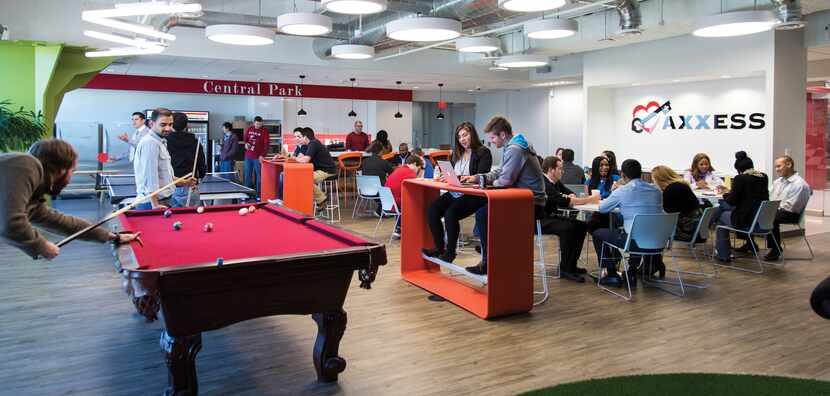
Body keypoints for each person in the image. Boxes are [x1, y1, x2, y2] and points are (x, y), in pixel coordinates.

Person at [0, 140, 139, 260]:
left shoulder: (32, 196)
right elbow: (10, 224)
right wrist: (42, 246)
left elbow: (64, 223)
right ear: (61, 170)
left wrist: (113, 237)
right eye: (72, 171)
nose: (70, 178)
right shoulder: (27, 164)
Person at [461, 116, 546, 275]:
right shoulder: (513, 145)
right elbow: (501, 171)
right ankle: (491, 254)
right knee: (483, 214)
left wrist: (487, 184)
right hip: (525, 200)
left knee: (482, 215)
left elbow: (506, 180)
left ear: (503, 135)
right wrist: (480, 177)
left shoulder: (515, 149)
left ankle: (489, 261)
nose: (491, 141)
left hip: (531, 203)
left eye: (493, 137)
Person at [423, 122, 493, 264]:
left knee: (450, 214)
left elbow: (481, 176)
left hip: (474, 195)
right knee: (432, 210)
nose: (462, 139)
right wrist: (447, 177)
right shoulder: (457, 153)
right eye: (459, 136)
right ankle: (439, 249)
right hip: (456, 191)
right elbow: (454, 174)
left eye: (465, 135)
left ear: (472, 134)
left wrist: (458, 178)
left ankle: (450, 253)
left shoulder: (483, 152)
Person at [591, 159, 664, 287]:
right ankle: (631, 271)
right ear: (641, 173)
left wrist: (614, 193)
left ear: (622, 175)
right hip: (658, 242)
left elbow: (603, 208)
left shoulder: (622, 191)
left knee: (598, 233)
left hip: (635, 242)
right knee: (637, 230)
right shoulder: (656, 190)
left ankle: (611, 273)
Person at [540, 156, 598, 282]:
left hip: (551, 217)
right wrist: (590, 199)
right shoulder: (544, 183)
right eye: (560, 169)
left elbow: (571, 194)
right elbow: (567, 201)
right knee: (567, 228)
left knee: (582, 225)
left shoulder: (555, 182)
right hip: (540, 220)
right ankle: (565, 268)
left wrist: (570, 197)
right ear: (551, 170)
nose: (563, 171)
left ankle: (571, 264)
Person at [714, 151, 769, 263]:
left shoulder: (740, 178)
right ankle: (749, 243)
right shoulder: (763, 176)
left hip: (747, 222)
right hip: (762, 222)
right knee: (726, 209)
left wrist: (725, 195)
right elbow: (748, 196)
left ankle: (723, 254)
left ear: (739, 169)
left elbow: (732, 201)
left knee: (721, 211)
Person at [765, 155, 812, 261]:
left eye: (779, 166)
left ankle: (775, 248)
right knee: (757, 212)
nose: (776, 169)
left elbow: (791, 207)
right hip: (778, 210)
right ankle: (750, 243)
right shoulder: (778, 182)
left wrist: (770, 209)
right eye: (776, 167)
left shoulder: (800, 184)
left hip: (791, 214)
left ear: (789, 165)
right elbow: (768, 195)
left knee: (768, 216)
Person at [134, 108, 178, 210]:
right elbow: (150, 176)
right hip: (153, 203)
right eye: (163, 125)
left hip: (164, 200)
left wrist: (185, 182)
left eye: (170, 124)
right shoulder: (150, 143)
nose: (168, 128)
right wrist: (155, 204)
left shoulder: (160, 141)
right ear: (151, 123)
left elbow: (165, 175)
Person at [166, 112, 207, 208]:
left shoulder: (165, 142)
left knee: (171, 221)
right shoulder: (196, 142)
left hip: (169, 187)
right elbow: (202, 167)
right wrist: (198, 178)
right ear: (187, 125)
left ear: (171, 125)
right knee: (192, 221)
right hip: (190, 187)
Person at [651, 165, 701, 242]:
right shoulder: (682, 185)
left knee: (649, 225)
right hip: (696, 229)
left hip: (686, 232)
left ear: (660, 179)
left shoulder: (670, 191)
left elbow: (667, 215)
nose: (654, 183)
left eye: (654, 180)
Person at [295, 127, 338, 208]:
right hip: (322, 170)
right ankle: (321, 197)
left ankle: (322, 199)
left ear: (305, 137)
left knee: (304, 178)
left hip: (327, 171)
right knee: (302, 178)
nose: (299, 139)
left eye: (300, 137)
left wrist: (294, 159)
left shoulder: (313, 143)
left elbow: (305, 160)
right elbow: (303, 158)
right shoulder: (312, 144)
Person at [386, 155, 424, 237]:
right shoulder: (410, 173)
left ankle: (399, 227)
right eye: (418, 168)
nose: (417, 170)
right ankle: (405, 228)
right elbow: (417, 189)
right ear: (414, 164)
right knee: (418, 202)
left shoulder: (399, 169)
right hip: (397, 203)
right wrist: (419, 175)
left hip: (388, 201)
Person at [243, 116, 270, 198]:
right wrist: (246, 144)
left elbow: (267, 144)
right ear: (254, 122)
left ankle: (259, 194)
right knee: (247, 175)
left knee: (259, 176)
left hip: (258, 157)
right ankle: (247, 194)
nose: (258, 125)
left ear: (262, 123)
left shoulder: (265, 131)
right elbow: (246, 140)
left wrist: (262, 155)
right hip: (248, 156)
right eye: (257, 124)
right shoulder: (249, 129)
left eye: (260, 124)